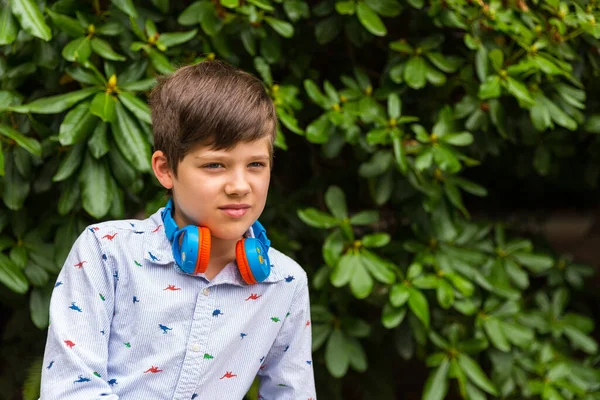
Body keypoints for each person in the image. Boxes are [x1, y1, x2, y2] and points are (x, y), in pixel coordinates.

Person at [40, 60, 316, 400]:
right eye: (215, 165)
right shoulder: (105, 252)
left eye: (256, 164)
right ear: (166, 169)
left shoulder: (285, 283)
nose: (240, 186)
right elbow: (70, 389)